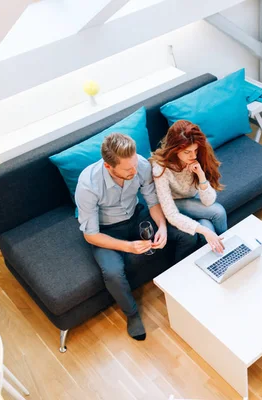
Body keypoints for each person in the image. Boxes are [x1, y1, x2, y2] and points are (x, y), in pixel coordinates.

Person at [75, 133, 198, 341]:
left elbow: (152, 202)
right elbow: (91, 235)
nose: (134, 170)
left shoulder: (139, 164)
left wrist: (162, 227)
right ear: (108, 166)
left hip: (136, 215)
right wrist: (129, 247)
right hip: (106, 231)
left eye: (134, 164)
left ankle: (178, 285)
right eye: (127, 169)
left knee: (188, 235)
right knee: (113, 272)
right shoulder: (88, 185)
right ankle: (132, 315)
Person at [150, 120, 227, 254]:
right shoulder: (160, 168)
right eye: (187, 152)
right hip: (172, 204)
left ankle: (223, 253)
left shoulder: (198, 155)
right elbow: (171, 214)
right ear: (175, 150)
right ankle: (225, 253)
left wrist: (201, 175)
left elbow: (208, 201)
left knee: (208, 225)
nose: (193, 155)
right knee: (217, 212)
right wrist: (205, 231)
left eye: (195, 150)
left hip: (192, 198)